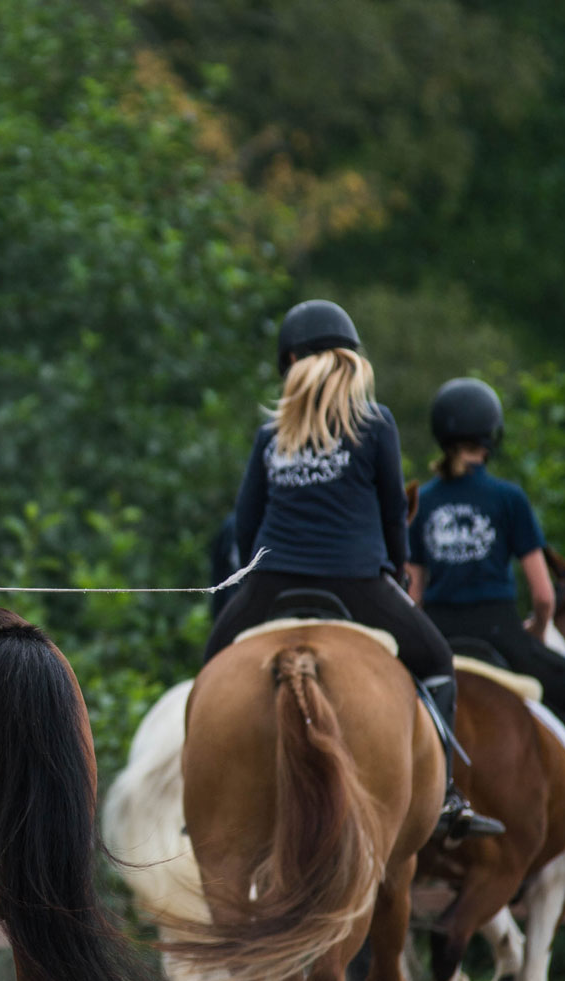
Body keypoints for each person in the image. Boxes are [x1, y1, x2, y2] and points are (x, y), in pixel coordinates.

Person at [204, 300, 500, 841]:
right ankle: (447, 797)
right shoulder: (375, 423)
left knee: (211, 667)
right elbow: (393, 510)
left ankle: (201, 795)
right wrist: (397, 572)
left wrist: (252, 575)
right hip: (358, 582)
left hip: (272, 581)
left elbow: (246, 521)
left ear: (292, 359)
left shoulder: (272, 435)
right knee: (436, 659)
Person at [409, 378, 565, 885]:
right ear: (492, 437)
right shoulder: (508, 499)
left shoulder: (423, 500)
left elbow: (412, 594)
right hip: (501, 634)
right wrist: (536, 628)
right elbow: (545, 595)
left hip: (435, 640)